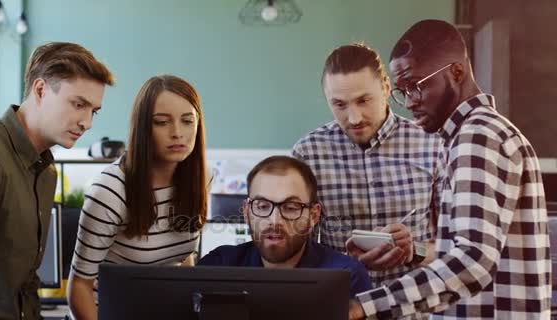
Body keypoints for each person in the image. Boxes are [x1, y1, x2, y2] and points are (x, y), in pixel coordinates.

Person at [349, 19, 551, 319]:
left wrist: (361, 307)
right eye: (402, 91)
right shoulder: (479, 133)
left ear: (456, 72)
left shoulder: (478, 136)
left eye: (416, 86)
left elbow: (472, 259)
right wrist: (413, 251)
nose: (410, 103)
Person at [0, 42, 114, 320]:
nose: (87, 122)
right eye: (78, 104)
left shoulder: (45, 171)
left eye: (93, 111)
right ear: (40, 90)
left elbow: (25, 283)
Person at [292, 43, 443, 294]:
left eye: (364, 100)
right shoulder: (307, 154)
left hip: (415, 308)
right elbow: (297, 254)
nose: (354, 118)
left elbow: (456, 247)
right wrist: (346, 260)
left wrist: (413, 251)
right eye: (339, 104)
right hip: (340, 307)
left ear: (385, 87)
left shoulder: (433, 143)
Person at [68, 75, 209, 320]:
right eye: (162, 122)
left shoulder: (200, 178)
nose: (178, 133)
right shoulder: (111, 190)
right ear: (143, 127)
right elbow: (79, 287)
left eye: (188, 121)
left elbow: (183, 258)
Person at [198, 155, 372, 298]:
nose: (275, 221)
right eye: (262, 206)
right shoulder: (219, 266)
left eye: (290, 208)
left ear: (313, 215)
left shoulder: (346, 277)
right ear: (246, 211)